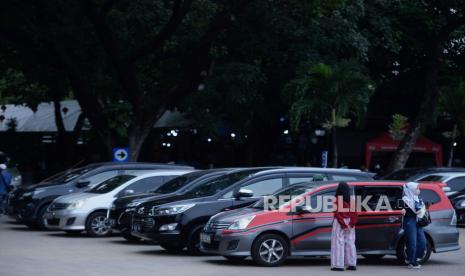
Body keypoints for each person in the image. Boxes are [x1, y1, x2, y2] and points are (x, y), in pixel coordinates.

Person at [330, 182, 358, 271]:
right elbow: (355, 214)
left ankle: (338, 265)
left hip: (339, 223)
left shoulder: (336, 199)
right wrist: (350, 224)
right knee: (350, 243)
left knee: (338, 243)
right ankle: (351, 264)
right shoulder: (352, 200)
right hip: (350, 222)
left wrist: (343, 224)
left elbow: (337, 214)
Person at [400, 182, 427, 269]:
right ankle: (412, 262)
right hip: (409, 221)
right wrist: (402, 210)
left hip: (419, 221)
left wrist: (422, 210)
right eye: (416, 188)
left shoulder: (418, 199)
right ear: (411, 190)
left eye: (418, 188)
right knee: (412, 241)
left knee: (422, 241)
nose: (418, 190)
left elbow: (423, 208)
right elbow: (399, 208)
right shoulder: (404, 200)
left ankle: (412, 257)